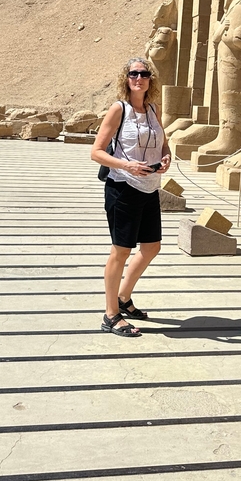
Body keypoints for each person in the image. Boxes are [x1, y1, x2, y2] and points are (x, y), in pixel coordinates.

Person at [91, 57, 171, 336]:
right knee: (121, 250)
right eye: (133, 74)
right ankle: (110, 314)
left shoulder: (153, 110)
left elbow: (163, 141)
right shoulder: (118, 109)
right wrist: (127, 165)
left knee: (151, 247)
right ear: (126, 79)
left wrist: (166, 156)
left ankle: (123, 297)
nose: (139, 78)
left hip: (150, 187)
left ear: (151, 79)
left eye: (144, 74)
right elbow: (96, 152)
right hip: (123, 187)